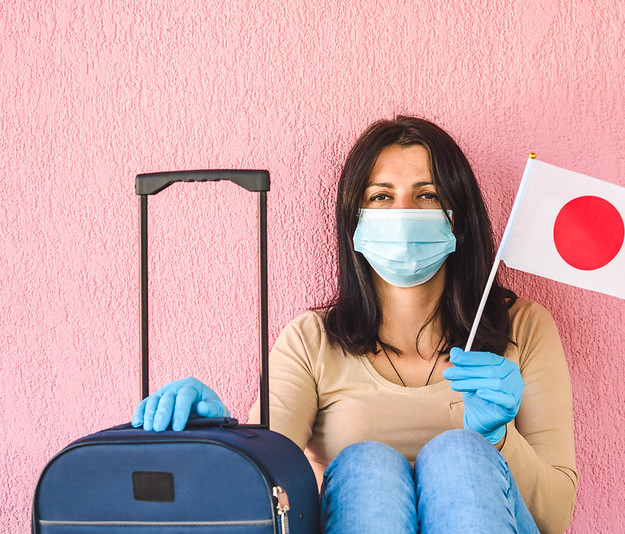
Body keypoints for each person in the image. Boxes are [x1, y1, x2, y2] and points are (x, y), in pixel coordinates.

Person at [132, 116, 578, 534]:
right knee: (365, 465)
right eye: (381, 196)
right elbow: (264, 491)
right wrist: (220, 436)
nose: (403, 212)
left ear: (458, 218)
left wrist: (496, 440)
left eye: (427, 195)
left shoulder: (524, 328)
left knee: (459, 454)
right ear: (355, 221)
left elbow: (555, 517)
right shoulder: (311, 341)